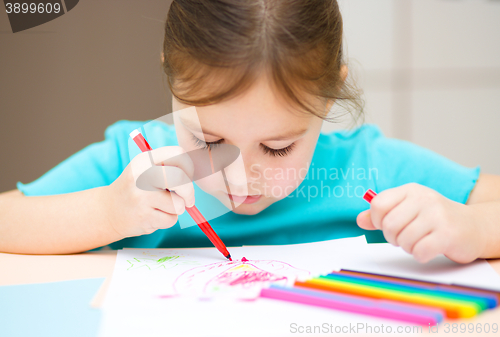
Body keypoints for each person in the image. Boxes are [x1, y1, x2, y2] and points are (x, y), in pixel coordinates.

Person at [1, 0, 499, 264]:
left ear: (327, 97)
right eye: (210, 142)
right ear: (173, 86)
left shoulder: (371, 168)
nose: (241, 179)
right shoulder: (139, 166)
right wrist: (106, 213)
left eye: (278, 147)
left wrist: (472, 229)